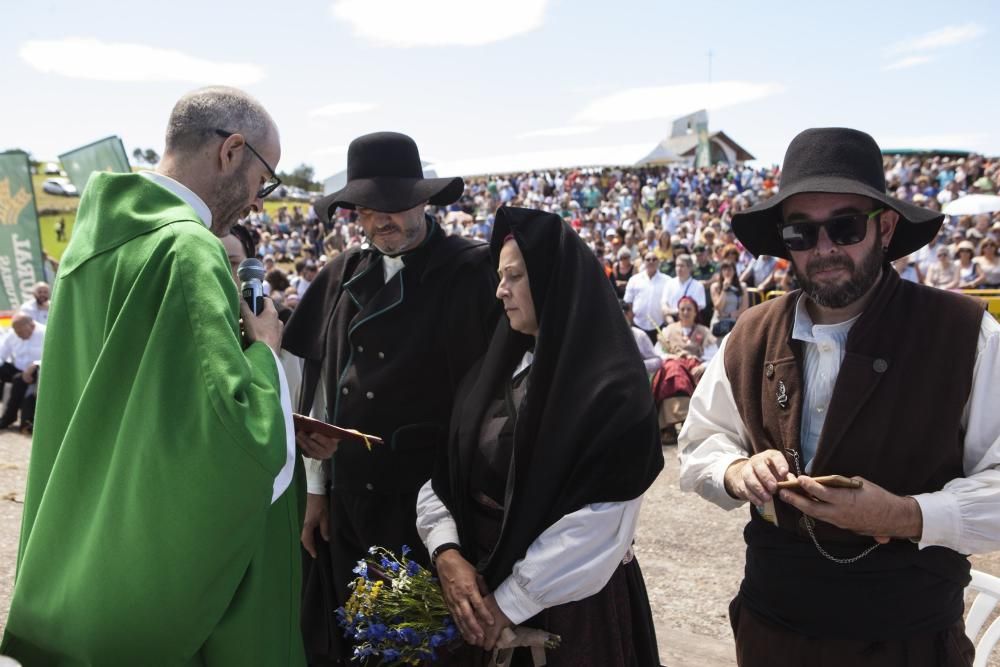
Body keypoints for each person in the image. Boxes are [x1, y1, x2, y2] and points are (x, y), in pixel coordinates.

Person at [1, 86, 305, 665]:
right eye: (263, 180)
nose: (259, 201)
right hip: (157, 569)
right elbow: (235, 437)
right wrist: (265, 351)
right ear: (232, 150)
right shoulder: (187, 249)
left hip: (87, 545)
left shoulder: (89, 246)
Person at [678, 127, 1000, 666]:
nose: (824, 249)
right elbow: (700, 443)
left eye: (844, 227)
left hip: (906, 643)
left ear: (886, 226)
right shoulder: (750, 334)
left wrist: (907, 515)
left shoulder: (965, 335)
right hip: (771, 634)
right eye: (802, 233)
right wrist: (736, 471)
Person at [281, 131, 497, 664]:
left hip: (437, 505)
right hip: (353, 502)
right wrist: (316, 490)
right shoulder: (340, 276)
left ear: (423, 199)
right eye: (369, 209)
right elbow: (322, 390)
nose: (384, 220)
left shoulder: (474, 272)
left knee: (435, 648)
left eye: (397, 206)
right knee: (360, 644)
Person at [417, 207, 662, 665]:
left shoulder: (611, 390)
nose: (499, 290)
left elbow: (603, 520)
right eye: (499, 276)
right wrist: (447, 553)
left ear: (552, 280)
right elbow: (444, 477)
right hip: (483, 600)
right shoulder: (491, 371)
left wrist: (506, 604)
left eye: (513, 276)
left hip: (568, 613)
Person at [0, 313, 44, 429]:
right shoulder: (12, 334)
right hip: (18, 370)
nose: (18, 336)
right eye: (16, 332)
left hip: (38, 372)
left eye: (20, 332)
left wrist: (36, 364)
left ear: (31, 325)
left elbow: (52, 357)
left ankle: (9, 417)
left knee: (18, 380)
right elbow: (1, 354)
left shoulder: (45, 333)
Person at [623, 250, 669, 343]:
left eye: (654, 259)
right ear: (644, 261)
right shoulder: (634, 280)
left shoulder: (667, 280)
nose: (651, 262)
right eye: (648, 259)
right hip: (638, 325)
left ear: (658, 261)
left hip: (659, 326)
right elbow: (628, 302)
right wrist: (630, 322)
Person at [661, 253, 706, 322]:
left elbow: (699, 307)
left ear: (690, 268)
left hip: (691, 323)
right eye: (677, 266)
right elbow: (664, 304)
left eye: (682, 266)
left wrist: (675, 312)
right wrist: (670, 320)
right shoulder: (669, 283)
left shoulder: (698, 286)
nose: (679, 269)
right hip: (671, 321)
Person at [709, 261, 748, 338]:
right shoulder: (714, 287)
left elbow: (744, 307)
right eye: (724, 269)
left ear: (734, 271)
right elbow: (718, 307)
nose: (727, 272)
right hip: (719, 323)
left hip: (735, 323)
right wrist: (724, 290)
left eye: (729, 269)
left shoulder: (742, 286)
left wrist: (729, 315)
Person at [623, 299, 663, 374]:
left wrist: (637, 365)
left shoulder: (639, 335)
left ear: (629, 314)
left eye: (624, 314)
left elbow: (657, 361)